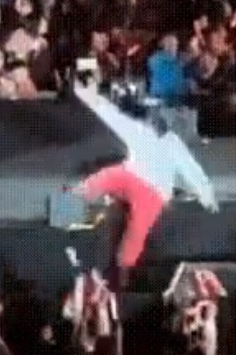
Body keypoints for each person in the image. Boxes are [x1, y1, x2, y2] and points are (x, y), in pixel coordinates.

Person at [66, 82, 219, 291]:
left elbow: (190, 169)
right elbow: (108, 113)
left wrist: (206, 195)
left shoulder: (170, 142)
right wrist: (85, 94)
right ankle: (67, 208)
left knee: (137, 229)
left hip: (152, 191)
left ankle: (123, 270)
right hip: (132, 177)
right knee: (105, 179)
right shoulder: (139, 130)